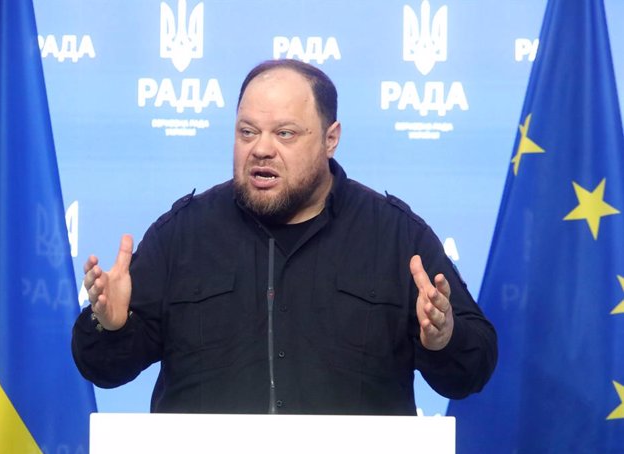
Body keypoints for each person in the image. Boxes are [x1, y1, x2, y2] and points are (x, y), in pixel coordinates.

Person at [72, 59, 497, 415]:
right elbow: (105, 370)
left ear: (331, 139)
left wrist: (444, 340)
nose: (261, 149)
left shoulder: (396, 236)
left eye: (285, 133)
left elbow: (472, 370)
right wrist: (110, 326)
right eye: (247, 132)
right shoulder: (183, 234)